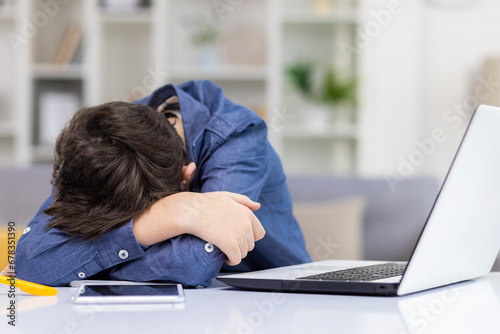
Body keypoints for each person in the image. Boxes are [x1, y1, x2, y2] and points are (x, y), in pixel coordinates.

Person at [15, 80, 311, 287]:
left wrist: (77, 264)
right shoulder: (100, 144)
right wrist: (176, 213)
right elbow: (30, 262)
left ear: (187, 176)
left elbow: (193, 265)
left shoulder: (237, 136)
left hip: (272, 298)